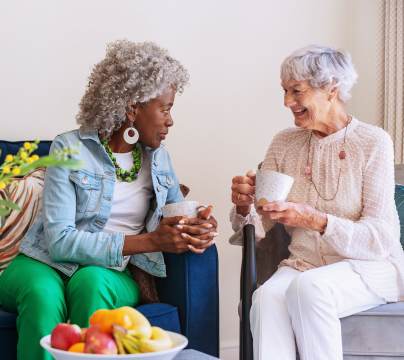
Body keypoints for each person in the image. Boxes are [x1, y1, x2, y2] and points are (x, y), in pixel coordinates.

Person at [0, 40, 217, 360]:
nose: (170, 120)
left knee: (90, 283)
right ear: (132, 108)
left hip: (110, 271)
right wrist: (147, 241)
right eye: (165, 108)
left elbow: (174, 214)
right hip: (42, 262)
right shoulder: (69, 148)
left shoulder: (159, 159)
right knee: (42, 294)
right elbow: (59, 242)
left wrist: (197, 224)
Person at [230, 45, 404, 360]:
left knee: (310, 288)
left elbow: (380, 238)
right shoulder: (284, 143)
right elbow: (258, 226)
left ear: (331, 90)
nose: (286, 102)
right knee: (267, 297)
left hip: (370, 266)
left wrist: (316, 221)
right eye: (284, 91)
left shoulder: (373, 142)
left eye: (297, 91)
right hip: (304, 265)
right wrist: (245, 207)